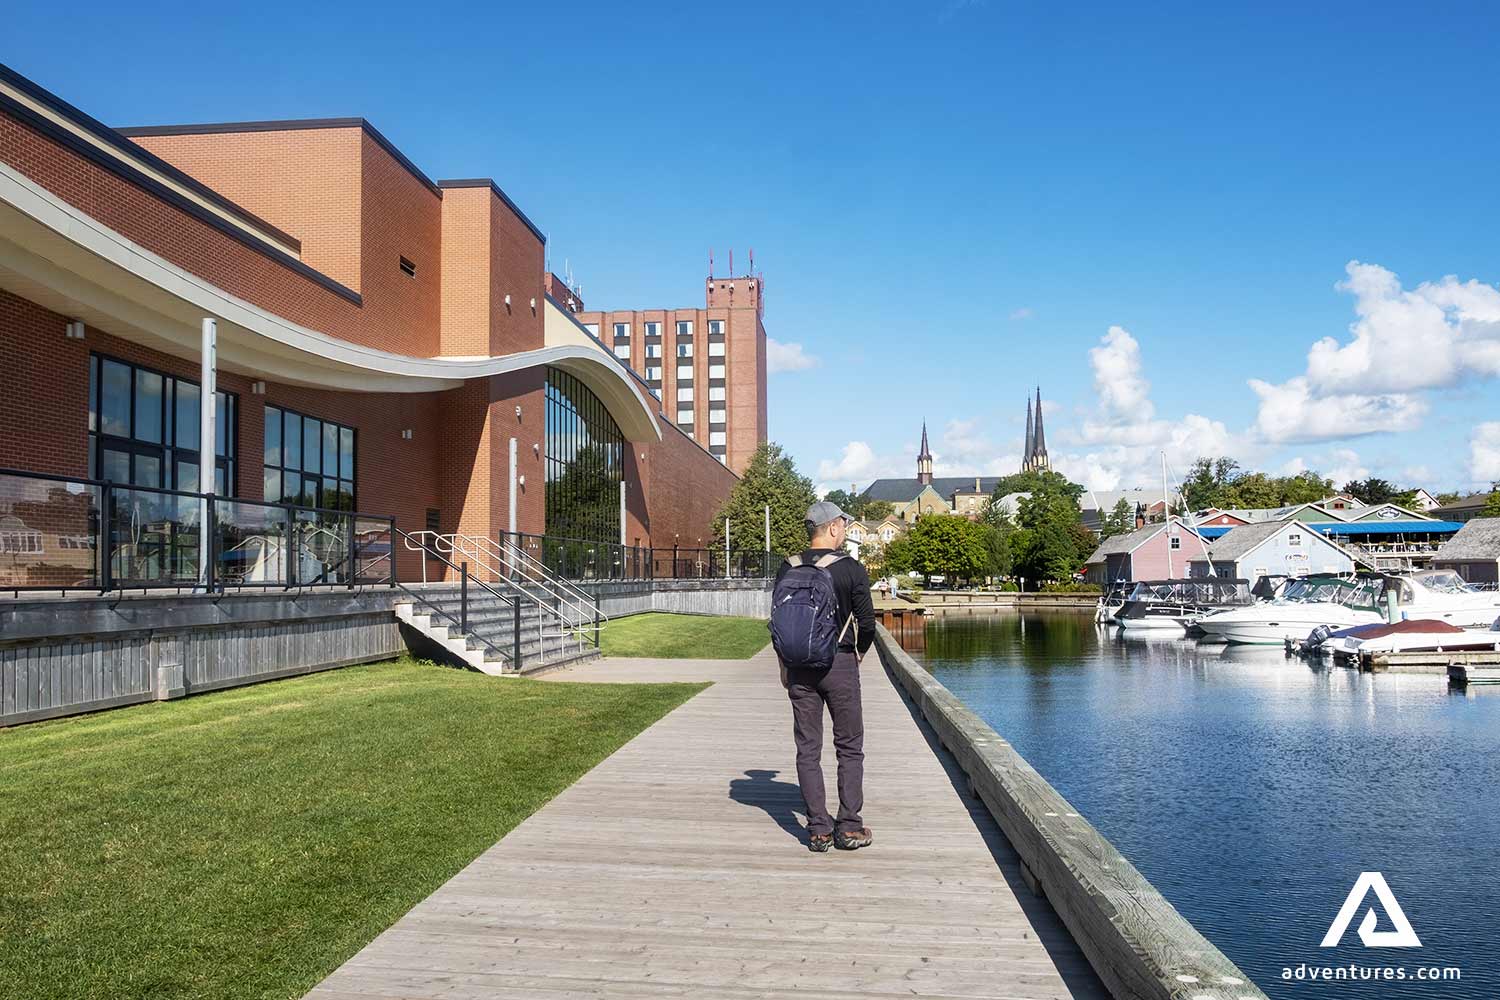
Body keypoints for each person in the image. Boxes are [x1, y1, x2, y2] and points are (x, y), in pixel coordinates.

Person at [775, 500, 877, 853]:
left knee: (808, 748)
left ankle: (818, 829)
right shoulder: (850, 568)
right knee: (849, 747)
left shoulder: (787, 566)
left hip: (799, 667)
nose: (846, 532)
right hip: (840, 663)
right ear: (833, 528)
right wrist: (859, 651)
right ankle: (848, 826)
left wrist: (784, 667)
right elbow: (867, 622)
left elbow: (777, 622)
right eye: (845, 526)